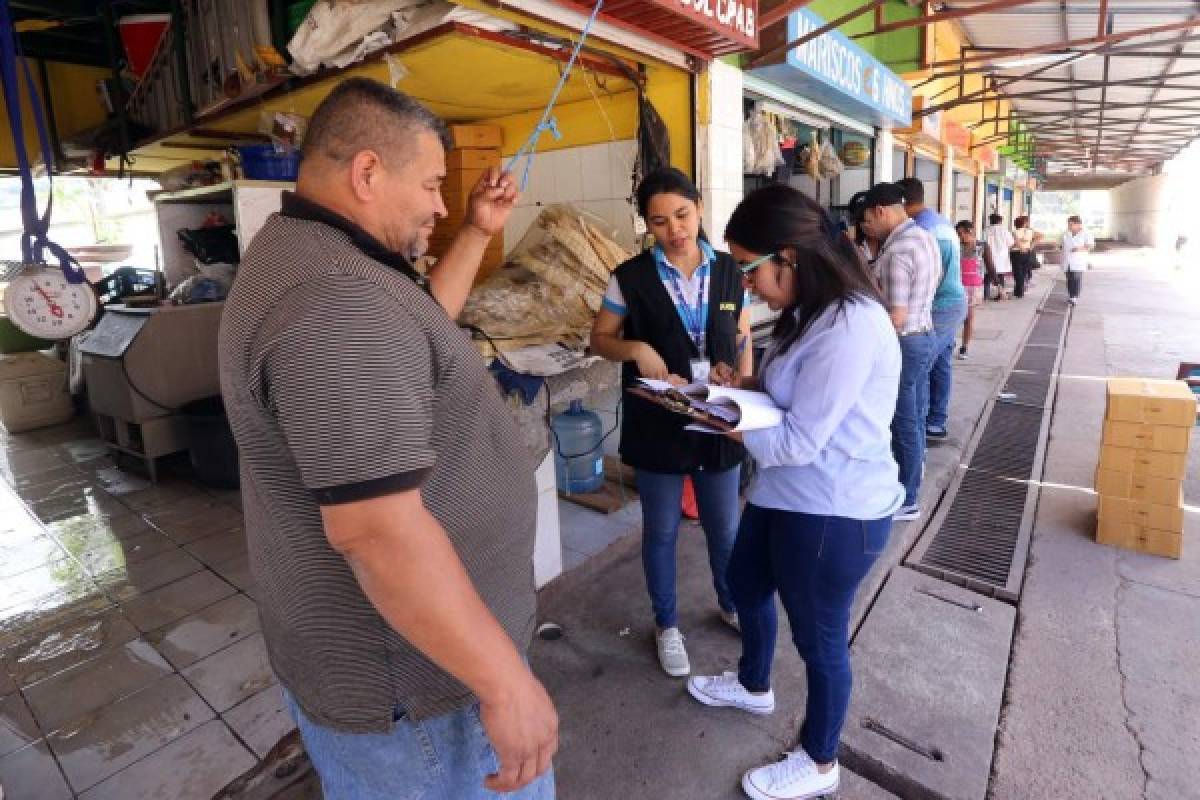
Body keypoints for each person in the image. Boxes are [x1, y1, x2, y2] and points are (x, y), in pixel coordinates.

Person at [219, 79, 557, 799]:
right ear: (368, 172)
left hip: (413, 678)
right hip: (424, 696)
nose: (442, 202)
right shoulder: (335, 301)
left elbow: (419, 321)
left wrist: (476, 232)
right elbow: (376, 532)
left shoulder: (320, 255)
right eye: (433, 184)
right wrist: (506, 683)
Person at [686, 185, 903, 800]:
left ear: (790, 255)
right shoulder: (812, 310)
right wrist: (746, 382)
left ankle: (819, 759)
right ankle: (754, 684)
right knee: (746, 582)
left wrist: (721, 415)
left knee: (820, 638)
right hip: (787, 495)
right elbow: (791, 392)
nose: (747, 286)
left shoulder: (851, 325)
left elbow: (797, 440)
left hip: (833, 509)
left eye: (750, 270)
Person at [590, 167, 753, 677]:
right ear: (648, 226)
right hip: (658, 418)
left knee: (724, 527)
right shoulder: (631, 276)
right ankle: (667, 625)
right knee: (660, 530)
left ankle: (730, 603)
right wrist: (635, 347)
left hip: (717, 417)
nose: (674, 230)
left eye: (681, 215)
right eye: (659, 222)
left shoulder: (728, 270)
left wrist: (740, 390)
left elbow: (743, 337)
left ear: (699, 208)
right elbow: (601, 338)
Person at [849, 183, 940, 521]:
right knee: (913, 416)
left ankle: (907, 497)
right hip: (924, 334)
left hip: (903, 341)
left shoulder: (898, 250)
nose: (865, 229)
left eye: (866, 221)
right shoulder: (924, 236)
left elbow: (896, 316)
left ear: (880, 211)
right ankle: (914, 474)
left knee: (901, 422)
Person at [896, 178, 966, 443]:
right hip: (953, 303)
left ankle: (922, 426)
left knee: (920, 367)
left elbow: (928, 277)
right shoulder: (940, 221)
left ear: (902, 203)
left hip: (940, 306)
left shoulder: (920, 229)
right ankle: (935, 422)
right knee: (939, 364)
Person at [956, 220, 985, 359]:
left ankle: (964, 347)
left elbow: (990, 266)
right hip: (956, 286)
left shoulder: (982, 246)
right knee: (955, 317)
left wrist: (999, 286)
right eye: (959, 233)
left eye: (964, 233)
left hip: (974, 286)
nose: (961, 236)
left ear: (971, 231)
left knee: (969, 318)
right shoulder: (955, 246)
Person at [1062, 214, 1094, 304]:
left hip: (1078, 260)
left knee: (1076, 278)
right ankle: (1071, 295)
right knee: (1069, 278)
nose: (1069, 226)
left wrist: (1078, 248)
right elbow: (1063, 246)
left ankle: (1074, 297)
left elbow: (1090, 245)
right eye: (1068, 224)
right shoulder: (1066, 233)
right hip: (1067, 259)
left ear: (1078, 224)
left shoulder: (1086, 233)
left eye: (1071, 224)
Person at [984, 213, 1014, 299]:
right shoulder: (1004, 230)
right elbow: (1011, 243)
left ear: (990, 221)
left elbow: (982, 243)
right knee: (1000, 276)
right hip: (1001, 257)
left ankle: (986, 295)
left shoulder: (986, 230)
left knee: (987, 277)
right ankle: (1001, 294)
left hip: (988, 256)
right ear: (1000, 221)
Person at [1010, 216, 1040, 298]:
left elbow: (1015, 242)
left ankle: (1019, 292)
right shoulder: (1030, 231)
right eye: (1027, 222)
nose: (1028, 223)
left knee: (1017, 272)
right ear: (1024, 223)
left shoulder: (1014, 231)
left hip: (1016, 253)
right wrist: (1031, 246)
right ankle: (1018, 290)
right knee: (1023, 272)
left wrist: (1021, 247)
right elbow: (1041, 236)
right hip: (1027, 252)